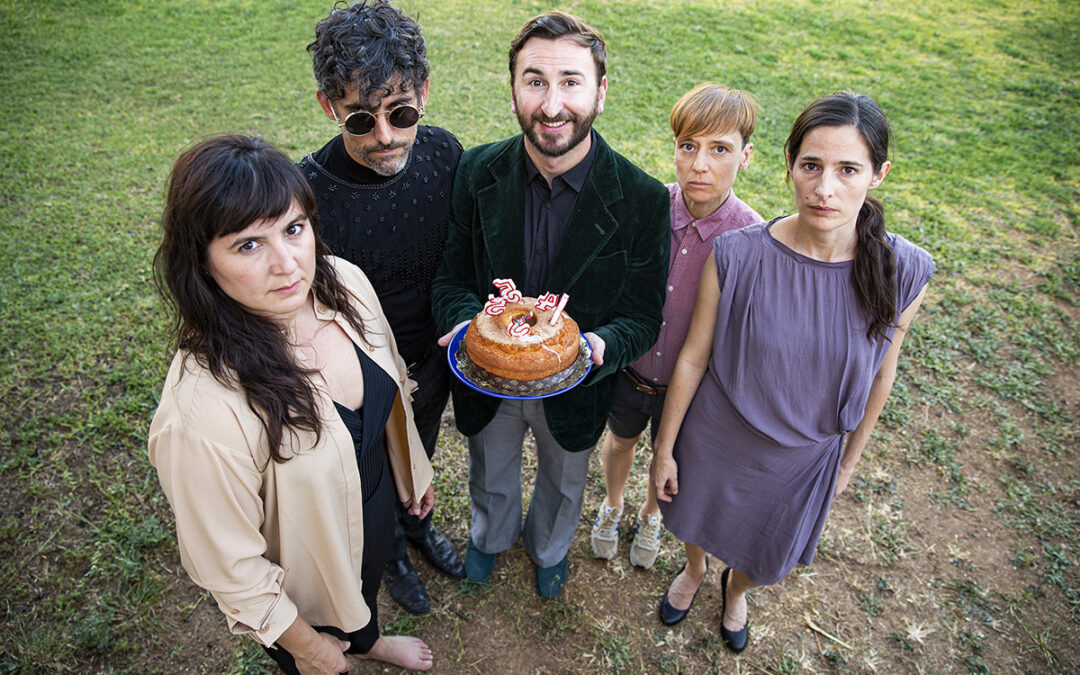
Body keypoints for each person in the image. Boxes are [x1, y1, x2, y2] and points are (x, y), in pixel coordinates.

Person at [650, 92, 934, 653]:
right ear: (790, 168)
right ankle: (696, 570)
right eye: (811, 166)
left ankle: (737, 589)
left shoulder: (905, 271)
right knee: (692, 520)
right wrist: (664, 447)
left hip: (805, 459)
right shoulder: (736, 254)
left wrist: (849, 463)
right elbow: (694, 356)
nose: (825, 188)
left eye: (848, 169)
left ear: (878, 174)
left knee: (769, 556)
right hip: (717, 436)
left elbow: (881, 375)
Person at [148, 135, 437, 673]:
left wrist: (412, 468)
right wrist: (308, 648)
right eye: (248, 245)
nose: (288, 265)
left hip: (371, 502)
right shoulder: (202, 412)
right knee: (327, 631)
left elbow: (392, 377)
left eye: (293, 229)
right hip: (303, 576)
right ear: (202, 263)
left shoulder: (343, 281)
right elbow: (234, 570)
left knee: (364, 581)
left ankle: (368, 637)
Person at [430, 11, 670, 599]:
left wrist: (594, 350)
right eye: (535, 81)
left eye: (571, 82)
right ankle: (489, 537)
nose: (552, 104)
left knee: (565, 481)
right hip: (490, 377)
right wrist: (470, 329)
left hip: (578, 382)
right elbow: (450, 280)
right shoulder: (475, 171)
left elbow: (642, 318)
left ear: (600, 92)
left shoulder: (640, 199)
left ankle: (550, 549)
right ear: (513, 89)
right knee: (490, 467)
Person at [299, 0, 465, 616]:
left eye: (401, 112)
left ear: (423, 91)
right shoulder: (307, 192)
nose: (386, 137)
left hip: (433, 356)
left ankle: (417, 528)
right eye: (360, 120)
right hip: (358, 376)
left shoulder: (445, 154)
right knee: (373, 472)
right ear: (328, 107)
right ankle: (391, 549)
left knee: (422, 443)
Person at [590, 83, 762, 570]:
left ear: (745, 156)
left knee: (667, 457)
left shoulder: (750, 242)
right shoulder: (648, 210)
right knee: (621, 440)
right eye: (688, 146)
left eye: (720, 150)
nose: (700, 165)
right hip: (631, 370)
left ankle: (650, 512)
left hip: (690, 389)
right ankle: (613, 503)